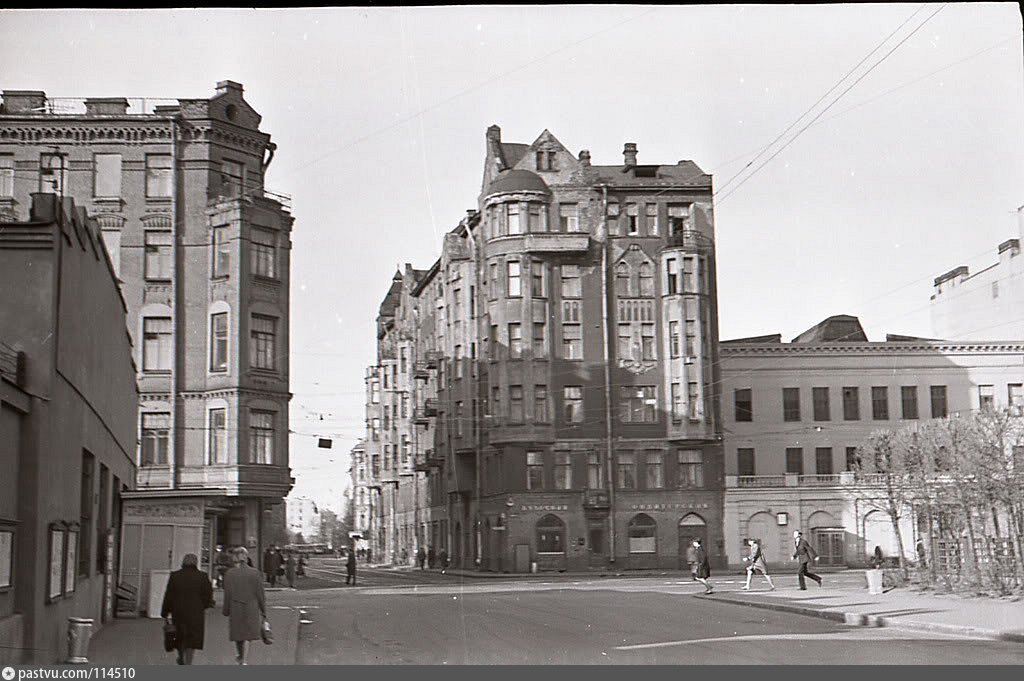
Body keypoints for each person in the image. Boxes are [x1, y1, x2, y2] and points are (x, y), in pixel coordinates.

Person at [161, 553, 214, 665]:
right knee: (192, 638)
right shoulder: (202, 576)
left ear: (183, 563)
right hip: (196, 613)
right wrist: (203, 606)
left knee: (180, 636)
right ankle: (188, 662)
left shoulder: (175, 576)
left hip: (178, 612)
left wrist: (165, 611)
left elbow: (169, 595)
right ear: (196, 563)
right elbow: (208, 595)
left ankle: (181, 656)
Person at [222, 547, 266, 666]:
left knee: (238, 633)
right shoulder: (255, 573)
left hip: (236, 606)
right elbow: (260, 594)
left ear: (235, 558)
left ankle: (240, 656)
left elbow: (228, 594)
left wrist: (226, 610)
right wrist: (263, 611)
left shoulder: (229, 574)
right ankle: (244, 660)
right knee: (247, 635)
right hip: (251, 606)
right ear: (246, 558)